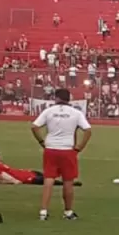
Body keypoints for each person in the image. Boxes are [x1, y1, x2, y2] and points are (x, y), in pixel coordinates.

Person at [31, 89, 92, 221]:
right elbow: (87, 130)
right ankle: (68, 212)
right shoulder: (76, 113)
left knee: (48, 179)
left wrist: (41, 141)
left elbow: (34, 127)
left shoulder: (49, 111)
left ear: (56, 98)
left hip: (51, 148)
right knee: (68, 182)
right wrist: (79, 147)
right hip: (67, 150)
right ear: (69, 98)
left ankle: (43, 211)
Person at [0, 149, 77, 186]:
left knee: (47, 175)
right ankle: (68, 184)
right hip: (27, 179)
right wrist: (13, 182)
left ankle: (64, 181)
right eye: (0, 155)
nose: (1, 156)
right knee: (46, 179)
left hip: (28, 173)